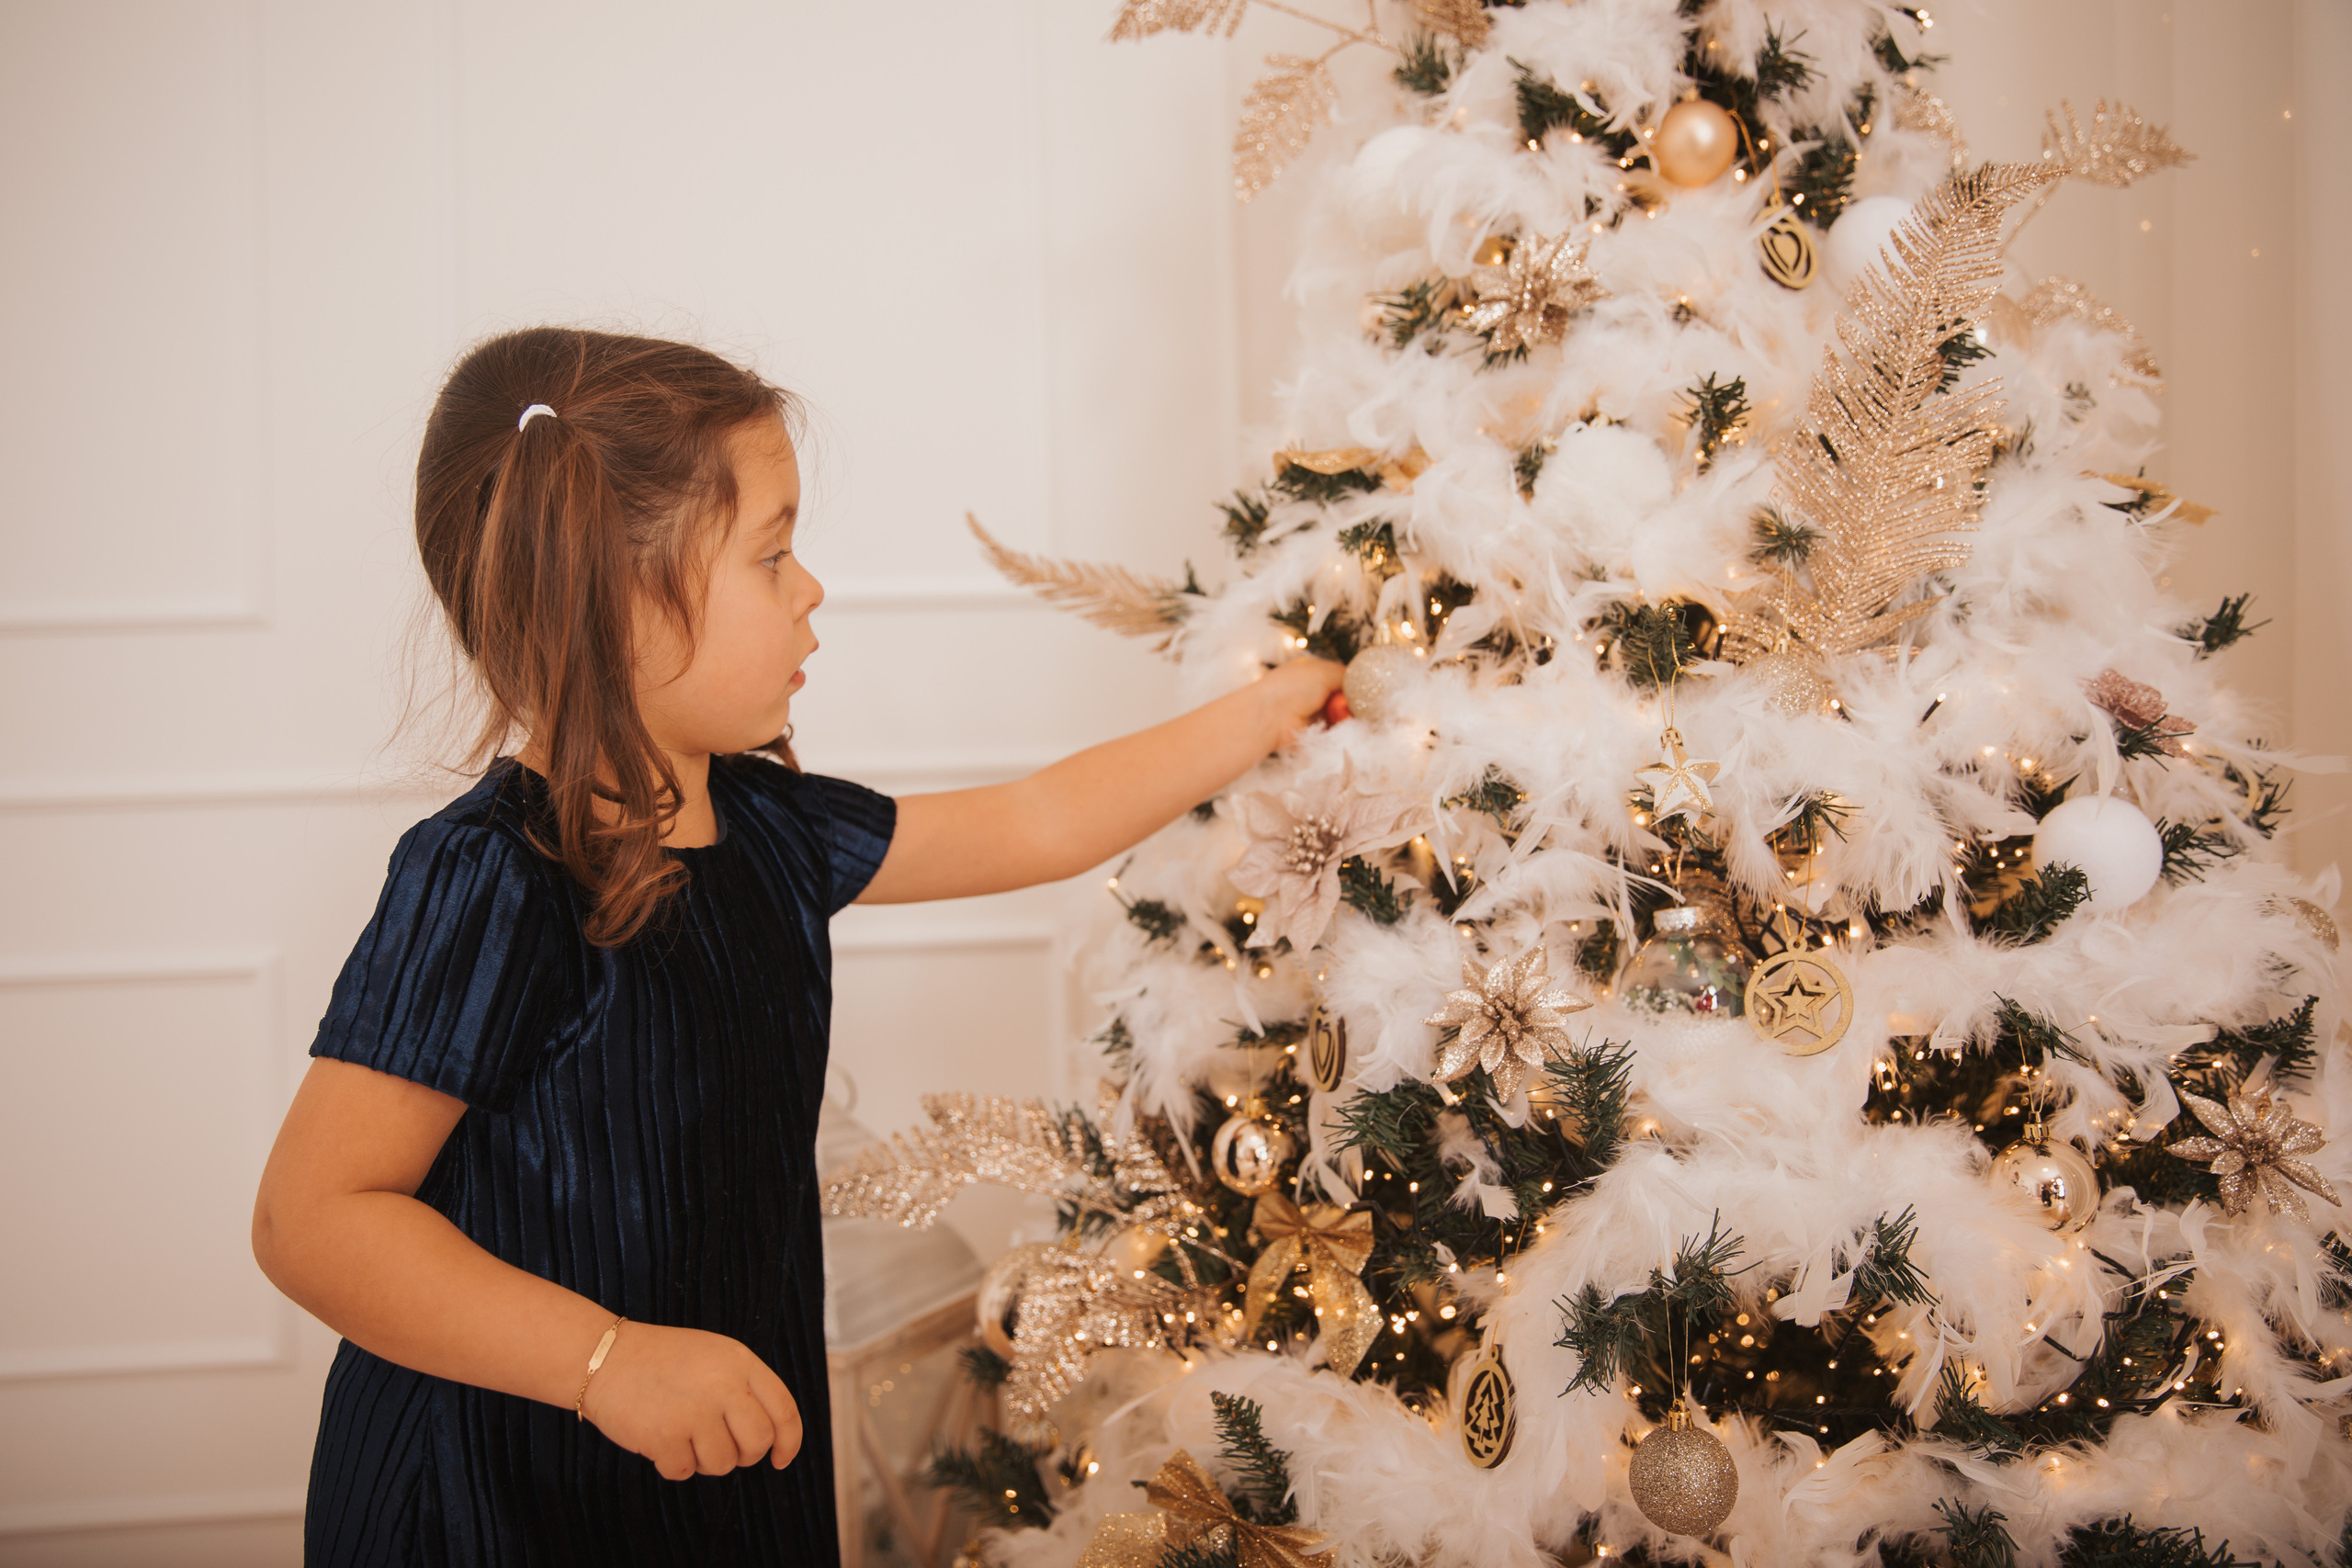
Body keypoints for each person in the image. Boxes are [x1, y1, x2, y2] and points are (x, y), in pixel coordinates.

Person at [250, 326, 1343, 1566]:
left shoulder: (772, 830)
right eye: (772, 556)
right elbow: (315, 1219)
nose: (811, 587)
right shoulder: (490, 879)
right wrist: (604, 1363)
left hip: (715, 1464)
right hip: (501, 1493)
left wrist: (1269, 708)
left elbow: (1038, 820)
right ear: (615, 605)